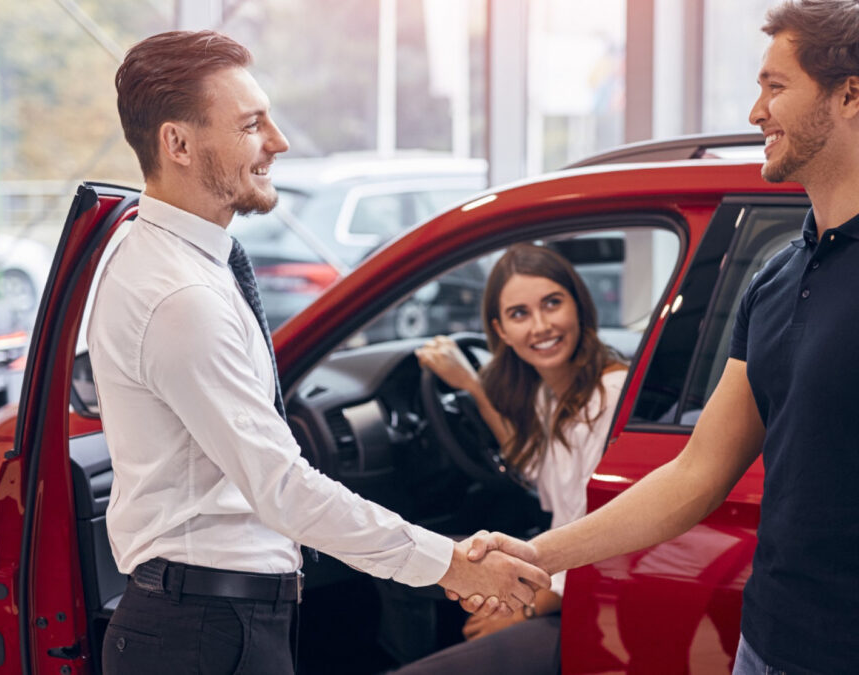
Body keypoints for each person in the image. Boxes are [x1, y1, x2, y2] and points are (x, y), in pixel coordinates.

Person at [465, 1, 859, 674]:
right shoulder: (779, 274)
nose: (757, 112)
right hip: (764, 648)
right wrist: (536, 554)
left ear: (850, 95)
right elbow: (696, 475)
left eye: (775, 86)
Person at [88, 30, 546, 675]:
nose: (278, 142)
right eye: (251, 125)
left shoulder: (167, 255)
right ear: (178, 144)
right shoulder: (181, 297)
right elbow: (282, 488)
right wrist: (448, 564)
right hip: (202, 634)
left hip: (208, 622)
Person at [397, 244, 628, 673]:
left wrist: (527, 606)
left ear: (579, 306)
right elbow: (536, 468)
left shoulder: (607, 397)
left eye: (552, 303)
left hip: (588, 598)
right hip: (562, 576)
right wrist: (472, 387)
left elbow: (602, 537)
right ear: (501, 331)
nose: (541, 326)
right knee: (412, 574)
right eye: (520, 314)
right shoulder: (550, 393)